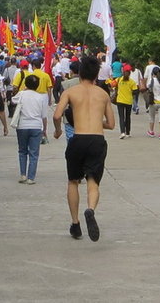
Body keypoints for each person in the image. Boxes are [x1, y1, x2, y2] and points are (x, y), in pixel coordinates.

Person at [53, 56, 115, 241]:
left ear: (79, 73)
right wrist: (96, 121)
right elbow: (111, 124)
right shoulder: (103, 94)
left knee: (73, 181)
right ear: (96, 75)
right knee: (93, 180)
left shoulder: (70, 92)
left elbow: (57, 115)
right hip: (97, 140)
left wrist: (57, 131)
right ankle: (90, 210)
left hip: (78, 138)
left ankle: (75, 224)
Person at [12, 74, 48, 184]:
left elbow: (13, 100)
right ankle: (31, 178)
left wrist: (24, 90)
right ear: (37, 85)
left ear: (25, 84)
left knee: (22, 151)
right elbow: (44, 116)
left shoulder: (21, 94)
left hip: (22, 126)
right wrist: (44, 130)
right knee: (34, 153)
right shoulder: (41, 97)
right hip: (36, 126)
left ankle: (23, 174)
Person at [114, 63, 137, 139]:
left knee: (121, 117)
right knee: (127, 117)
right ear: (130, 73)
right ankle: (128, 132)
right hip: (128, 101)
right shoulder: (132, 82)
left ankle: (122, 132)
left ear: (123, 72)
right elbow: (135, 92)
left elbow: (112, 84)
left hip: (120, 100)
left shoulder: (119, 79)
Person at [60, 60, 81, 140]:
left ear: (71, 71)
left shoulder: (65, 84)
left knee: (71, 141)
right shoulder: (88, 84)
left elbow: (62, 102)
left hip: (69, 117)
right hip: (84, 117)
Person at [147, 66, 160, 139]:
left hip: (153, 101)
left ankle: (151, 131)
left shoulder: (152, 80)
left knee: (152, 117)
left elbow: (148, 87)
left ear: (153, 73)